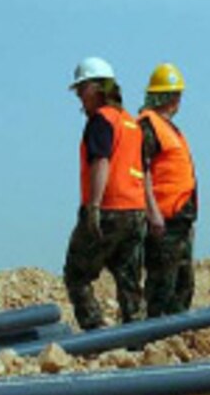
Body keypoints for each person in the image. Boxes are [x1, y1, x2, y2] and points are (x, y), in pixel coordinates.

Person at [64, 57, 164, 330]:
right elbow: (143, 170)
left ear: (97, 88)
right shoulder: (130, 124)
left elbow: (101, 160)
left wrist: (93, 207)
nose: (80, 98)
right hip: (134, 211)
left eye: (82, 90)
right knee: (129, 279)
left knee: (76, 274)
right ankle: (139, 337)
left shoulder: (101, 120)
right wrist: (150, 211)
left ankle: (95, 332)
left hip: (108, 208)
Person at [139, 63, 199, 318]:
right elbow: (141, 170)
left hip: (180, 221)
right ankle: (152, 342)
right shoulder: (148, 126)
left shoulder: (169, 129)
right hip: (163, 221)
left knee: (183, 286)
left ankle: (175, 340)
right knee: (161, 286)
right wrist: (152, 212)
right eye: (176, 95)